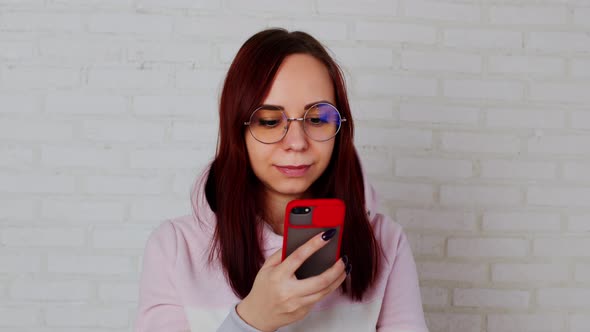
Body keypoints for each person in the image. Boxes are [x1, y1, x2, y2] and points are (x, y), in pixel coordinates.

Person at [134, 28, 428, 332]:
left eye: (316, 119)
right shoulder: (174, 247)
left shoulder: (386, 242)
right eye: (271, 121)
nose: (297, 142)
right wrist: (250, 320)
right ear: (239, 129)